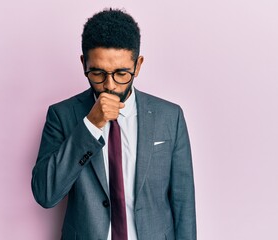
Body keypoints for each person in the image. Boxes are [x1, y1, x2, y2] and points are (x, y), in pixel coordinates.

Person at [31, 8, 196, 240]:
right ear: (83, 64)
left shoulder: (170, 116)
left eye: (121, 73)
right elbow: (46, 194)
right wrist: (90, 125)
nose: (109, 85)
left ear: (137, 66)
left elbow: (183, 202)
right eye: (97, 73)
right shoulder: (62, 115)